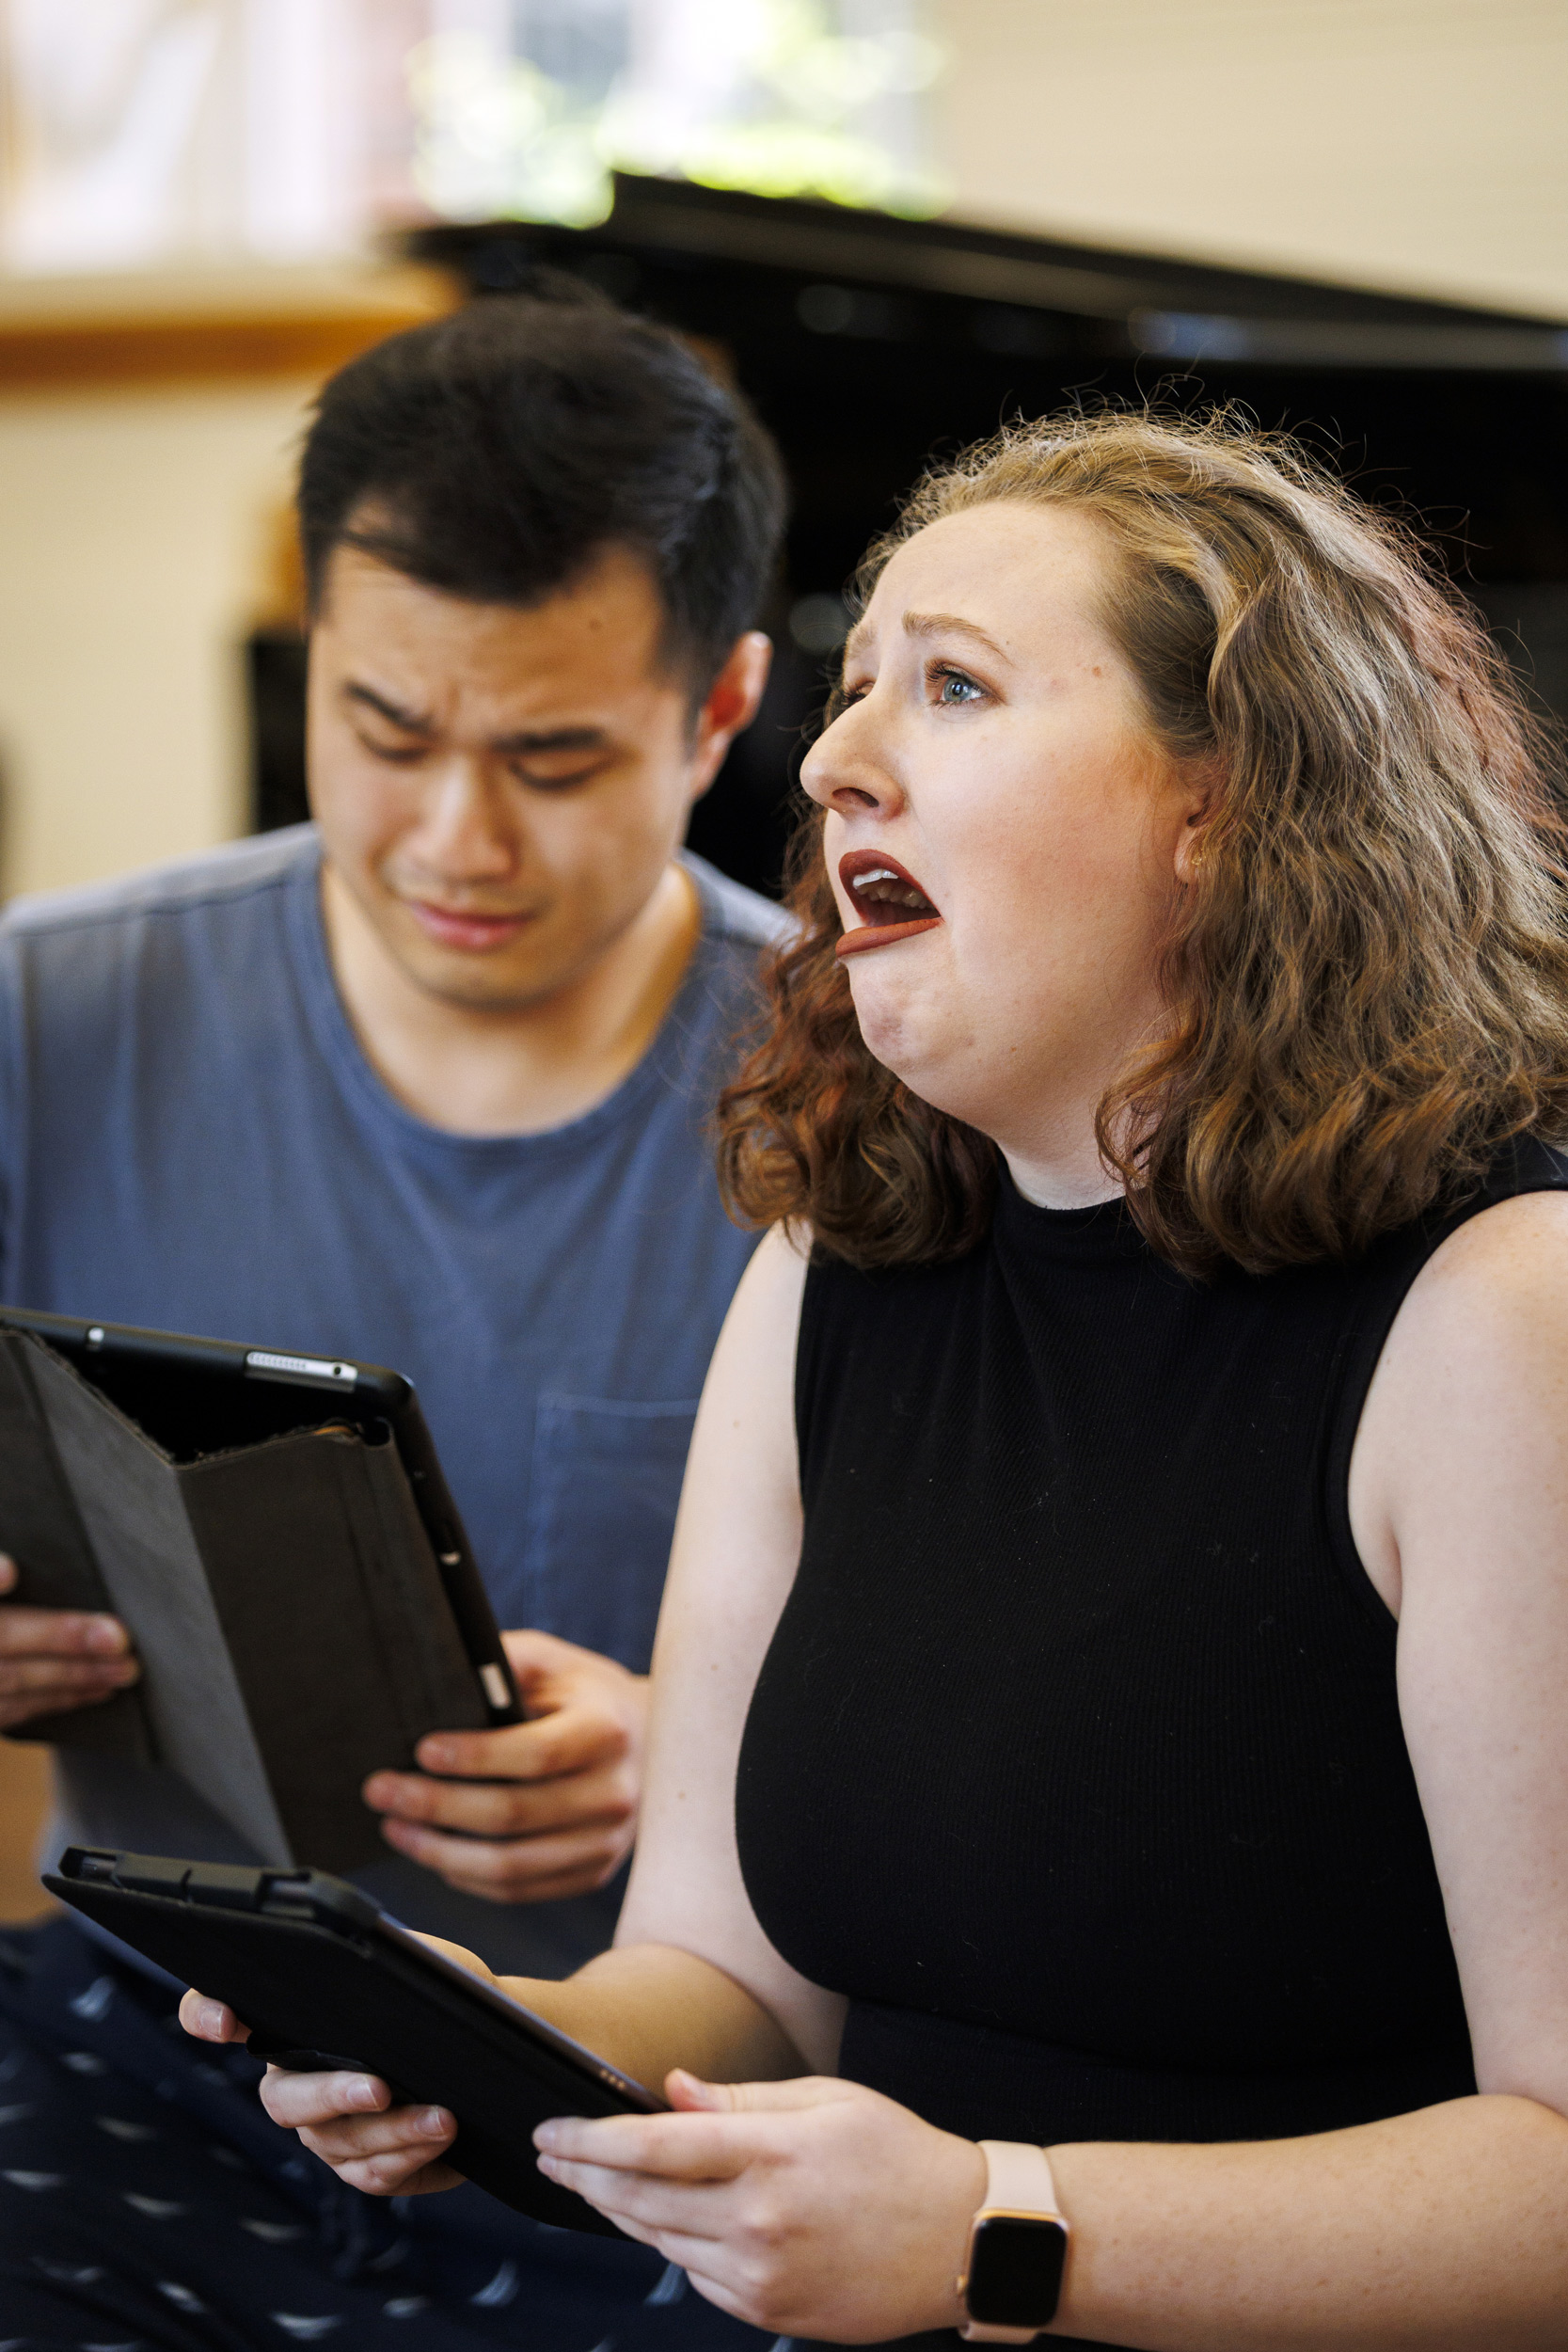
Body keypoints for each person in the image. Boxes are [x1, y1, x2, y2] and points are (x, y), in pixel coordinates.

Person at [211, 409, 1568, 2350]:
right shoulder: (835, 1269)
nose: (836, 760)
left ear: (1223, 801)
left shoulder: (1506, 1314)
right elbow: (729, 1983)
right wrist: (485, 2041)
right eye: (852, 693)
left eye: (952, 687)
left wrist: (999, 2229)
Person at [0, 282, 789, 2344]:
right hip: (150, 2043)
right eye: (385, 730)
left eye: (553, 755)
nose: (456, 838)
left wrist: (707, 1762)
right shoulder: (47, 1010)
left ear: (721, 717)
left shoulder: (868, 1104)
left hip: (656, 2107)